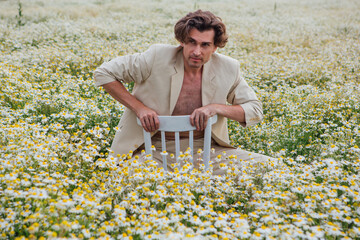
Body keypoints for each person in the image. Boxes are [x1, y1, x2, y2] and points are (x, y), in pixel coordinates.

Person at [94, 10, 274, 174]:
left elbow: (255, 110)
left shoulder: (228, 68)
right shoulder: (156, 57)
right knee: (128, 179)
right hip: (151, 150)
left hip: (207, 151)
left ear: (215, 47)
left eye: (205, 45)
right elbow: (103, 73)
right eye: (192, 42)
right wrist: (140, 108)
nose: (197, 51)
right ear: (182, 41)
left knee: (271, 168)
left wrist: (216, 108)